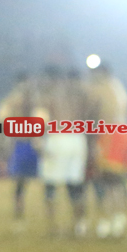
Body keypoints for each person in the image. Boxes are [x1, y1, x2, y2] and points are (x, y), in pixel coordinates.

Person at [34, 66, 90, 238]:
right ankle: (79, 225)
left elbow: (40, 119)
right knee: (75, 185)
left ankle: (53, 228)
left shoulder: (47, 95)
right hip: (77, 139)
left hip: (57, 139)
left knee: (50, 185)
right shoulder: (80, 94)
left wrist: (37, 140)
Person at [86, 62, 127, 238]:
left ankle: (109, 219)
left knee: (107, 180)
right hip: (121, 134)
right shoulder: (117, 87)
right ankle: (116, 218)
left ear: (102, 73)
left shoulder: (103, 89)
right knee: (114, 180)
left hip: (111, 136)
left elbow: (100, 114)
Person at [0, 73, 39, 225]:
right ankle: (19, 213)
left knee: (35, 180)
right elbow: (2, 120)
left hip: (31, 143)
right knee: (20, 181)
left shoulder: (34, 100)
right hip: (21, 143)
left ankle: (23, 213)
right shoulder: (11, 101)